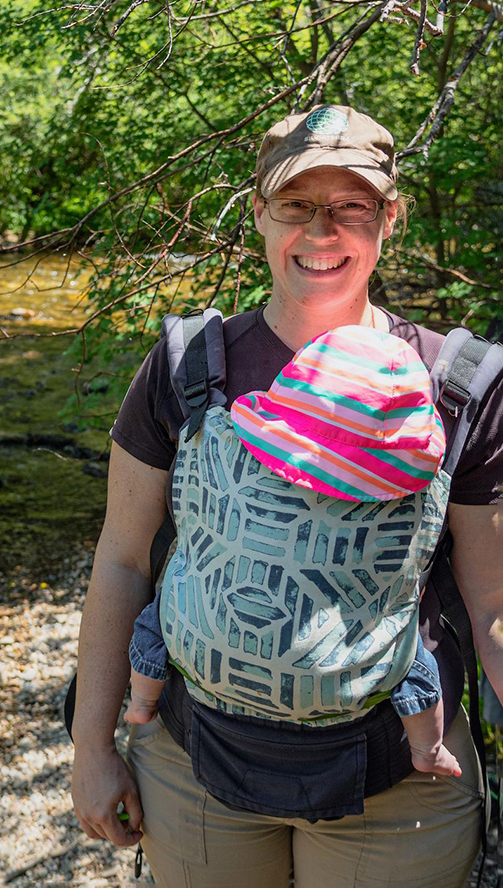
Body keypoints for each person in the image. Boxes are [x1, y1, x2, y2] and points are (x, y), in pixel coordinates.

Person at [70, 104, 503, 888]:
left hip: (402, 783)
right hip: (192, 768)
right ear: (259, 212)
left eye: (351, 207)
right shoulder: (185, 366)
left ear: (390, 218)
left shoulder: (457, 389)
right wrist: (91, 745)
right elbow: (124, 559)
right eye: (297, 205)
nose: (322, 231)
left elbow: (491, 603)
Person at [123, 324, 461, 779]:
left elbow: (122, 558)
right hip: (354, 718)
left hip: (205, 690)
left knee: (161, 612)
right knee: (412, 662)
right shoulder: (408, 487)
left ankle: (142, 701)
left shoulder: (230, 443)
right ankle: (427, 748)